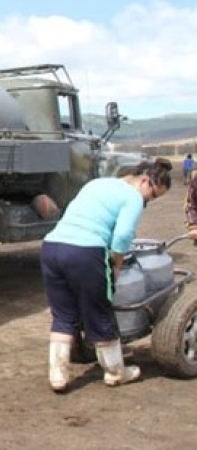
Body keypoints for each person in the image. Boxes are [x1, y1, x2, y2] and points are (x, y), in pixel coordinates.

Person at [40, 158, 171, 393]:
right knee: (99, 312)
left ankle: (57, 376)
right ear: (144, 180)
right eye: (151, 197)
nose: (147, 203)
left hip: (52, 247)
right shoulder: (132, 196)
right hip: (85, 252)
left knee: (63, 314)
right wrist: (117, 265)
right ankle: (115, 372)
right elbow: (122, 236)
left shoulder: (97, 184)